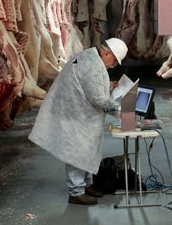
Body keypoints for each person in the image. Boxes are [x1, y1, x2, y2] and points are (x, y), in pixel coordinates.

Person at [29, 38, 128, 205]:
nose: (115, 65)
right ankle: (76, 192)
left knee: (87, 150)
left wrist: (109, 85)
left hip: (77, 111)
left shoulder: (90, 56)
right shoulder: (93, 66)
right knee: (78, 151)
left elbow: (89, 84)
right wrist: (121, 111)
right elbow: (98, 99)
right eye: (115, 60)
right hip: (74, 114)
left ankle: (86, 185)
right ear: (107, 53)